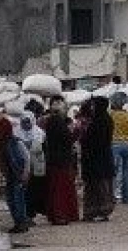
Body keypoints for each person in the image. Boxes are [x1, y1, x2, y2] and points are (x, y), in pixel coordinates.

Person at [42, 96, 80, 225]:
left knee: (55, 188)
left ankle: (56, 215)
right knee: (60, 189)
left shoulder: (51, 121)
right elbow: (67, 139)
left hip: (54, 159)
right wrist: (77, 131)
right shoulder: (57, 122)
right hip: (60, 160)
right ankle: (60, 215)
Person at [80, 96, 115, 222]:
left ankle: (99, 211)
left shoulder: (99, 121)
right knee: (96, 185)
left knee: (98, 186)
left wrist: (83, 138)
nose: (92, 107)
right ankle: (95, 211)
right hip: (101, 159)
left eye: (94, 105)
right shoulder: (105, 119)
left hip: (96, 159)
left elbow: (93, 140)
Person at [0, 117, 31, 234]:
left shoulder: (16, 142)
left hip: (19, 175)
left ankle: (22, 223)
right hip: (11, 176)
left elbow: (26, 157)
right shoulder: (2, 144)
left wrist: (25, 173)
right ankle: (17, 222)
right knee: (11, 200)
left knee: (18, 200)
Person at [16, 111, 47, 221]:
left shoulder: (39, 132)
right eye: (24, 122)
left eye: (28, 122)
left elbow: (43, 147)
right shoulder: (17, 133)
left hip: (37, 165)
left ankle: (36, 210)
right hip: (23, 167)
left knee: (36, 188)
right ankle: (28, 213)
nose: (26, 125)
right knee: (26, 190)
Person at [109, 92, 128, 205]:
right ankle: (126, 197)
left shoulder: (110, 115)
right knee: (127, 171)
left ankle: (112, 196)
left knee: (114, 172)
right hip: (127, 145)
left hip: (114, 145)